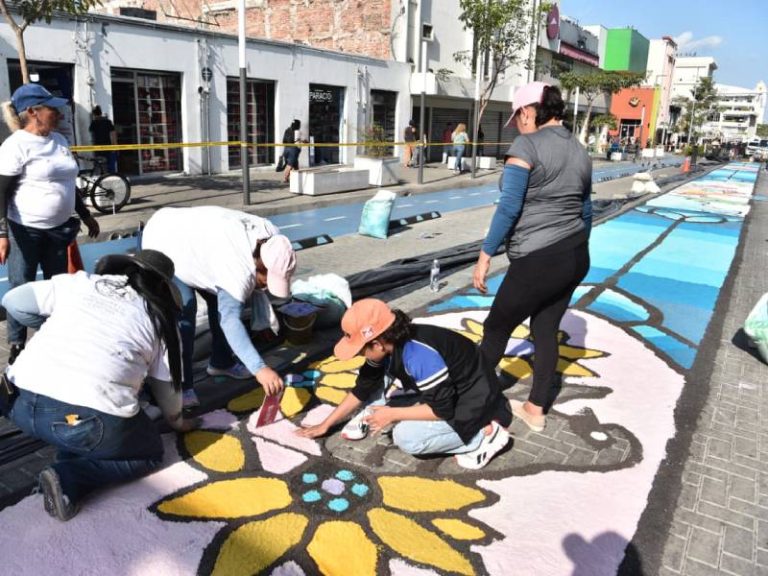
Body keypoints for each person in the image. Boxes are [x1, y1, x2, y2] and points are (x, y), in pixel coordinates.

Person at [1, 249, 199, 521]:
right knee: (150, 452)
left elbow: (14, 301)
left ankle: (69, 453)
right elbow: (167, 393)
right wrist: (178, 423)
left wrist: (52, 325)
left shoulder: (80, 283)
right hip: (84, 419)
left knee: (79, 424)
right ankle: (68, 477)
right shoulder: (160, 318)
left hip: (16, 401)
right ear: (163, 288)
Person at [472, 82, 592, 433]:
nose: (517, 125)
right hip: (575, 253)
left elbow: (509, 207)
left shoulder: (526, 145)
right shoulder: (581, 150)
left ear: (529, 111)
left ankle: (472, 401)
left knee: (496, 328)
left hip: (539, 258)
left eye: (518, 116)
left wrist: (485, 255)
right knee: (544, 329)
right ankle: (535, 409)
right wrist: (575, 247)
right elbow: (586, 210)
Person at [297, 299, 511, 470]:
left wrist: (393, 414)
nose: (359, 354)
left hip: (474, 398)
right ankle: (374, 411)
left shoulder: (418, 356)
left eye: (361, 348)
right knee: (375, 374)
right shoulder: (390, 345)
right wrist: (326, 423)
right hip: (454, 387)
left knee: (407, 437)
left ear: (377, 342)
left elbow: (442, 409)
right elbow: (363, 386)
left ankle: (483, 436)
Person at [141, 206, 296, 408]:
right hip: (166, 244)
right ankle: (183, 386)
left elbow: (236, 302)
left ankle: (221, 363)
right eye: (266, 279)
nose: (266, 286)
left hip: (201, 248)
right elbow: (230, 320)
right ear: (257, 264)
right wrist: (260, 368)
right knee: (185, 315)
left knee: (220, 304)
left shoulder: (275, 240)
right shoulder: (236, 265)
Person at [0, 84, 100, 364]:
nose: (58, 113)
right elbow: (1, 192)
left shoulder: (59, 140)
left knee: (58, 286)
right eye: (51, 108)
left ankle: (56, 337)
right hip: (25, 230)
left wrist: (85, 213)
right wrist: (2, 234)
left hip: (59, 229)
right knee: (22, 285)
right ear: (32, 112)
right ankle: (17, 346)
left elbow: (70, 183)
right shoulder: (15, 146)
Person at [88, 105, 118, 173]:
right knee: (110, 165)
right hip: (108, 146)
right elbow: (113, 134)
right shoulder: (107, 122)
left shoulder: (94, 123)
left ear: (94, 114)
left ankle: (102, 177)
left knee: (100, 165)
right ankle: (111, 177)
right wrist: (115, 146)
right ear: (101, 112)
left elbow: (91, 135)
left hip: (98, 147)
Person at [281, 119, 305, 183]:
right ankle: (285, 178)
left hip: (286, 149)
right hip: (293, 150)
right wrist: (304, 141)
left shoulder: (287, 130)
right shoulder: (297, 132)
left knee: (295, 164)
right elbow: (299, 140)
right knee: (290, 165)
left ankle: (297, 178)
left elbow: (284, 141)